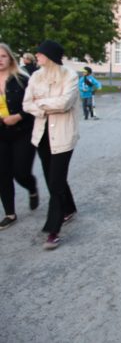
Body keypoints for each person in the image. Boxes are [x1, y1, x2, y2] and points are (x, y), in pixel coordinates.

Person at [22, 40, 79, 250]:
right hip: (42, 136)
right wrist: (45, 105)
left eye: (40, 53)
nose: (36, 56)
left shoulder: (69, 76)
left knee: (55, 181)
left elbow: (65, 103)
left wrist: (40, 103)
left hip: (63, 136)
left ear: (50, 56)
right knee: (52, 177)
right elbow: (26, 104)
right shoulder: (36, 76)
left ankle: (53, 230)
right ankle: (69, 208)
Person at [0, 43, 38, 230]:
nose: (0, 60)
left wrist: (19, 116)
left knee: (20, 172)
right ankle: (10, 213)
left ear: (10, 59)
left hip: (23, 131)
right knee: (3, 174)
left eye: (3, 56)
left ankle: (31, 187)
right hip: (1, 133)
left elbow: (34, 105)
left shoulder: (22, 79)